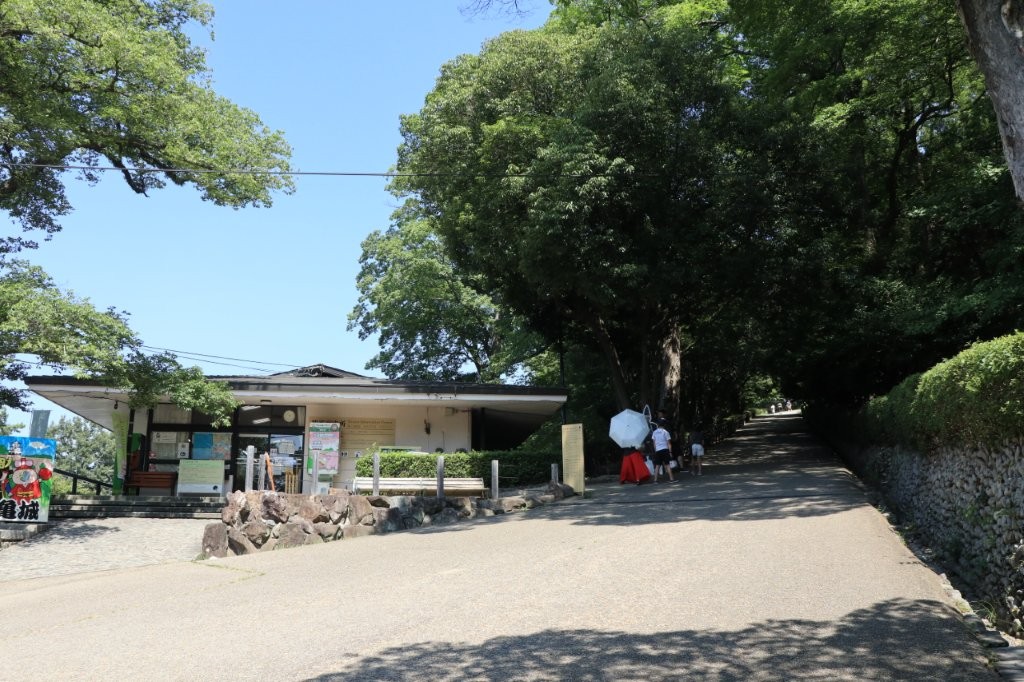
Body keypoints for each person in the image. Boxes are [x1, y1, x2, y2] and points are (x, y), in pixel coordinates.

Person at [651, 418, 675, 483]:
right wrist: (670, 452)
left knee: (657, 466)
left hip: (658, 450)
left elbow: (654, 443)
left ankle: (655, 480)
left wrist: (656, 451)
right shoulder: (665, 432)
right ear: (664, 424)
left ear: (658, 424)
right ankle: (671, 479)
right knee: (667, 465)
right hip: (665, 450)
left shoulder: (654, 432)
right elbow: (669, 443)